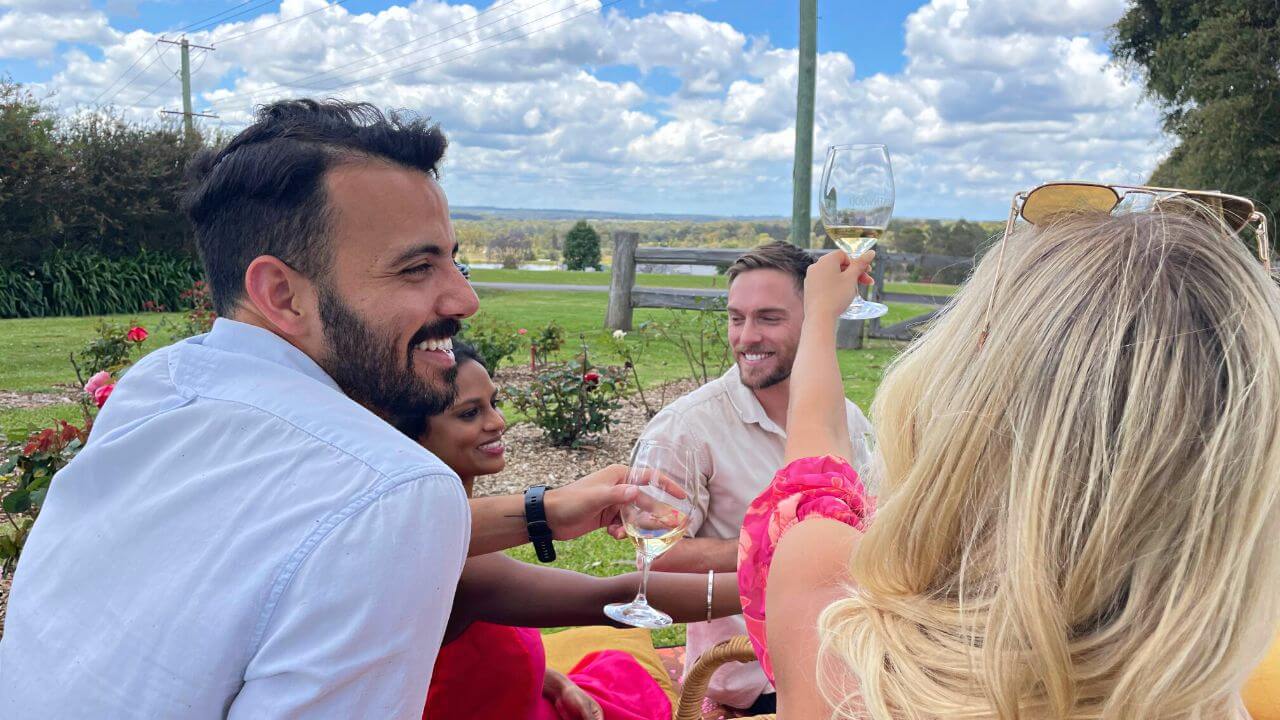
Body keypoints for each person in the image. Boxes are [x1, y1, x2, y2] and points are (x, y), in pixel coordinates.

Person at [0, 100, 637, 718]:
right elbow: (354, 514)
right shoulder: (397, 490)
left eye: (454, 260)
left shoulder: (161, 383)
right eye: (417, 268)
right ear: (282, 294)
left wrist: (546, 511)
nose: (465, 299)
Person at [739, 208, 1280, 717]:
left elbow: (816, 447)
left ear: (957, 405)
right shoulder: (1217, 686)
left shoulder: (834, 626)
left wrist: (818, 319)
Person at [416, 343, 742, 720]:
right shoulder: (453, 566)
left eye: (494, 402)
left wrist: (554, 682)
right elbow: (613, 598)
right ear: (411, 434)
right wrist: (766, 581)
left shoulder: (454, 538)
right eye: (470, 413)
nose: (497, 421)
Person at [632, 240, 872, 713]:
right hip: (744, 688)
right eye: (735, 317)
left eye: (768, 318)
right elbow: (654, 556)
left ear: (817, 318)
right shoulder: (686, 428)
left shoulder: (851, 420)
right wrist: (782, 548)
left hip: (848, 669)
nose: (745, 337)